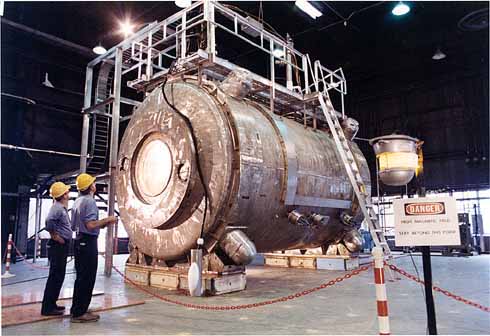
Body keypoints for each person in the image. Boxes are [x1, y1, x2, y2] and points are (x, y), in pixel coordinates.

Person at [69, 173, 117, 323]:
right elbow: (90, 225)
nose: (95, 184)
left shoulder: (78, 200)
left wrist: (99, 224)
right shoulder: (89, 201)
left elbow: (75, 225)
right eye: (93, 183)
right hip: (87, 242)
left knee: (81, 277)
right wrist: (108, 220)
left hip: (79, 240)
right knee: (87, 277)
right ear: (90, 186)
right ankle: (79, 313)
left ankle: (78, 308)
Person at [41, 181, 72, 316]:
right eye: (67, 192)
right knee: (55, 276)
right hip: (58, 246)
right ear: (64, 195)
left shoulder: (60, 207)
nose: (68, 193)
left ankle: (52, 303)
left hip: (61, 246)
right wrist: (55, 236)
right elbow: (49, 222)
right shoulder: (57, 208)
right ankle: (47, 308)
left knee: (58, 276)